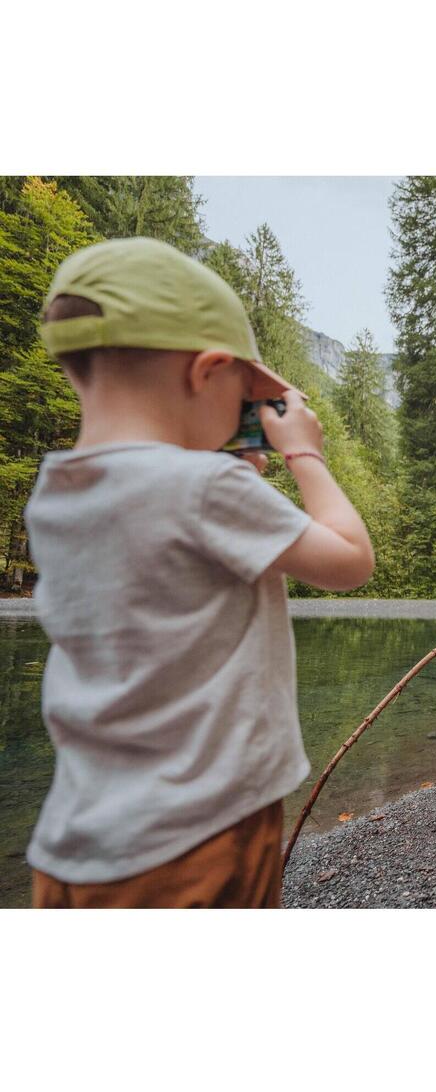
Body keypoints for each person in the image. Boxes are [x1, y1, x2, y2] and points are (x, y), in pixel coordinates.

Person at [24, 236, 375, 908]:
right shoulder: (205, 487)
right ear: (205, 370)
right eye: (244, 392)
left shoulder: (57, 492)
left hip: (80, 841)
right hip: (199, 833)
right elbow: (350, 561)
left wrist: (228, 473)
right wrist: (305, 456)